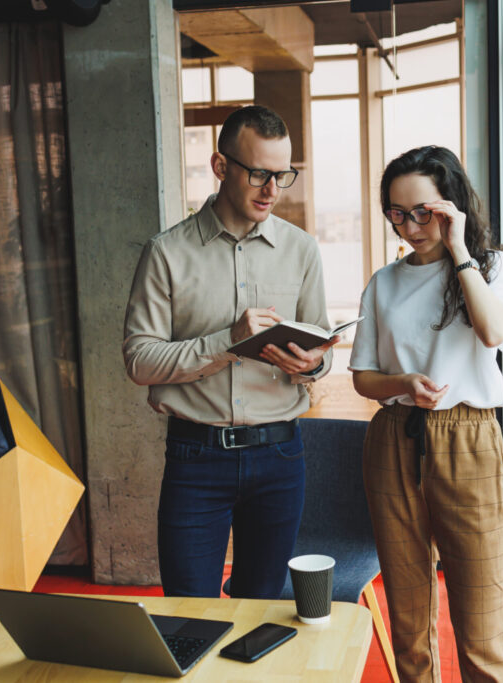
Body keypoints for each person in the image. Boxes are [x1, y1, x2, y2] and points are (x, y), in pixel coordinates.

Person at [123, 105, 337, 599]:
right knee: (191, 614)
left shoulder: (302, 250)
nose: (271, 190)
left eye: (283, 176)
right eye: (259, 173)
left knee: (261, 612)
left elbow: (320, 346)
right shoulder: (167, 253)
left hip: (281, 456)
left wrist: (315, 363)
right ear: (221, 167)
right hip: (195, 456)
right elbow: (139, 360)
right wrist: (229, 341)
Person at [349, 145, 503, 683]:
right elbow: (363, 377)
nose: (409, 226)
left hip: (468, 438)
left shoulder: (493, 266)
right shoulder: (384, 282)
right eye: (397, 213)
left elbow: (495, 333)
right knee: (408, 620)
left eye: (422, 211)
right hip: (394, 436)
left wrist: (459, 251)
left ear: (451, 205)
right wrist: (403, 383)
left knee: (482, 620)